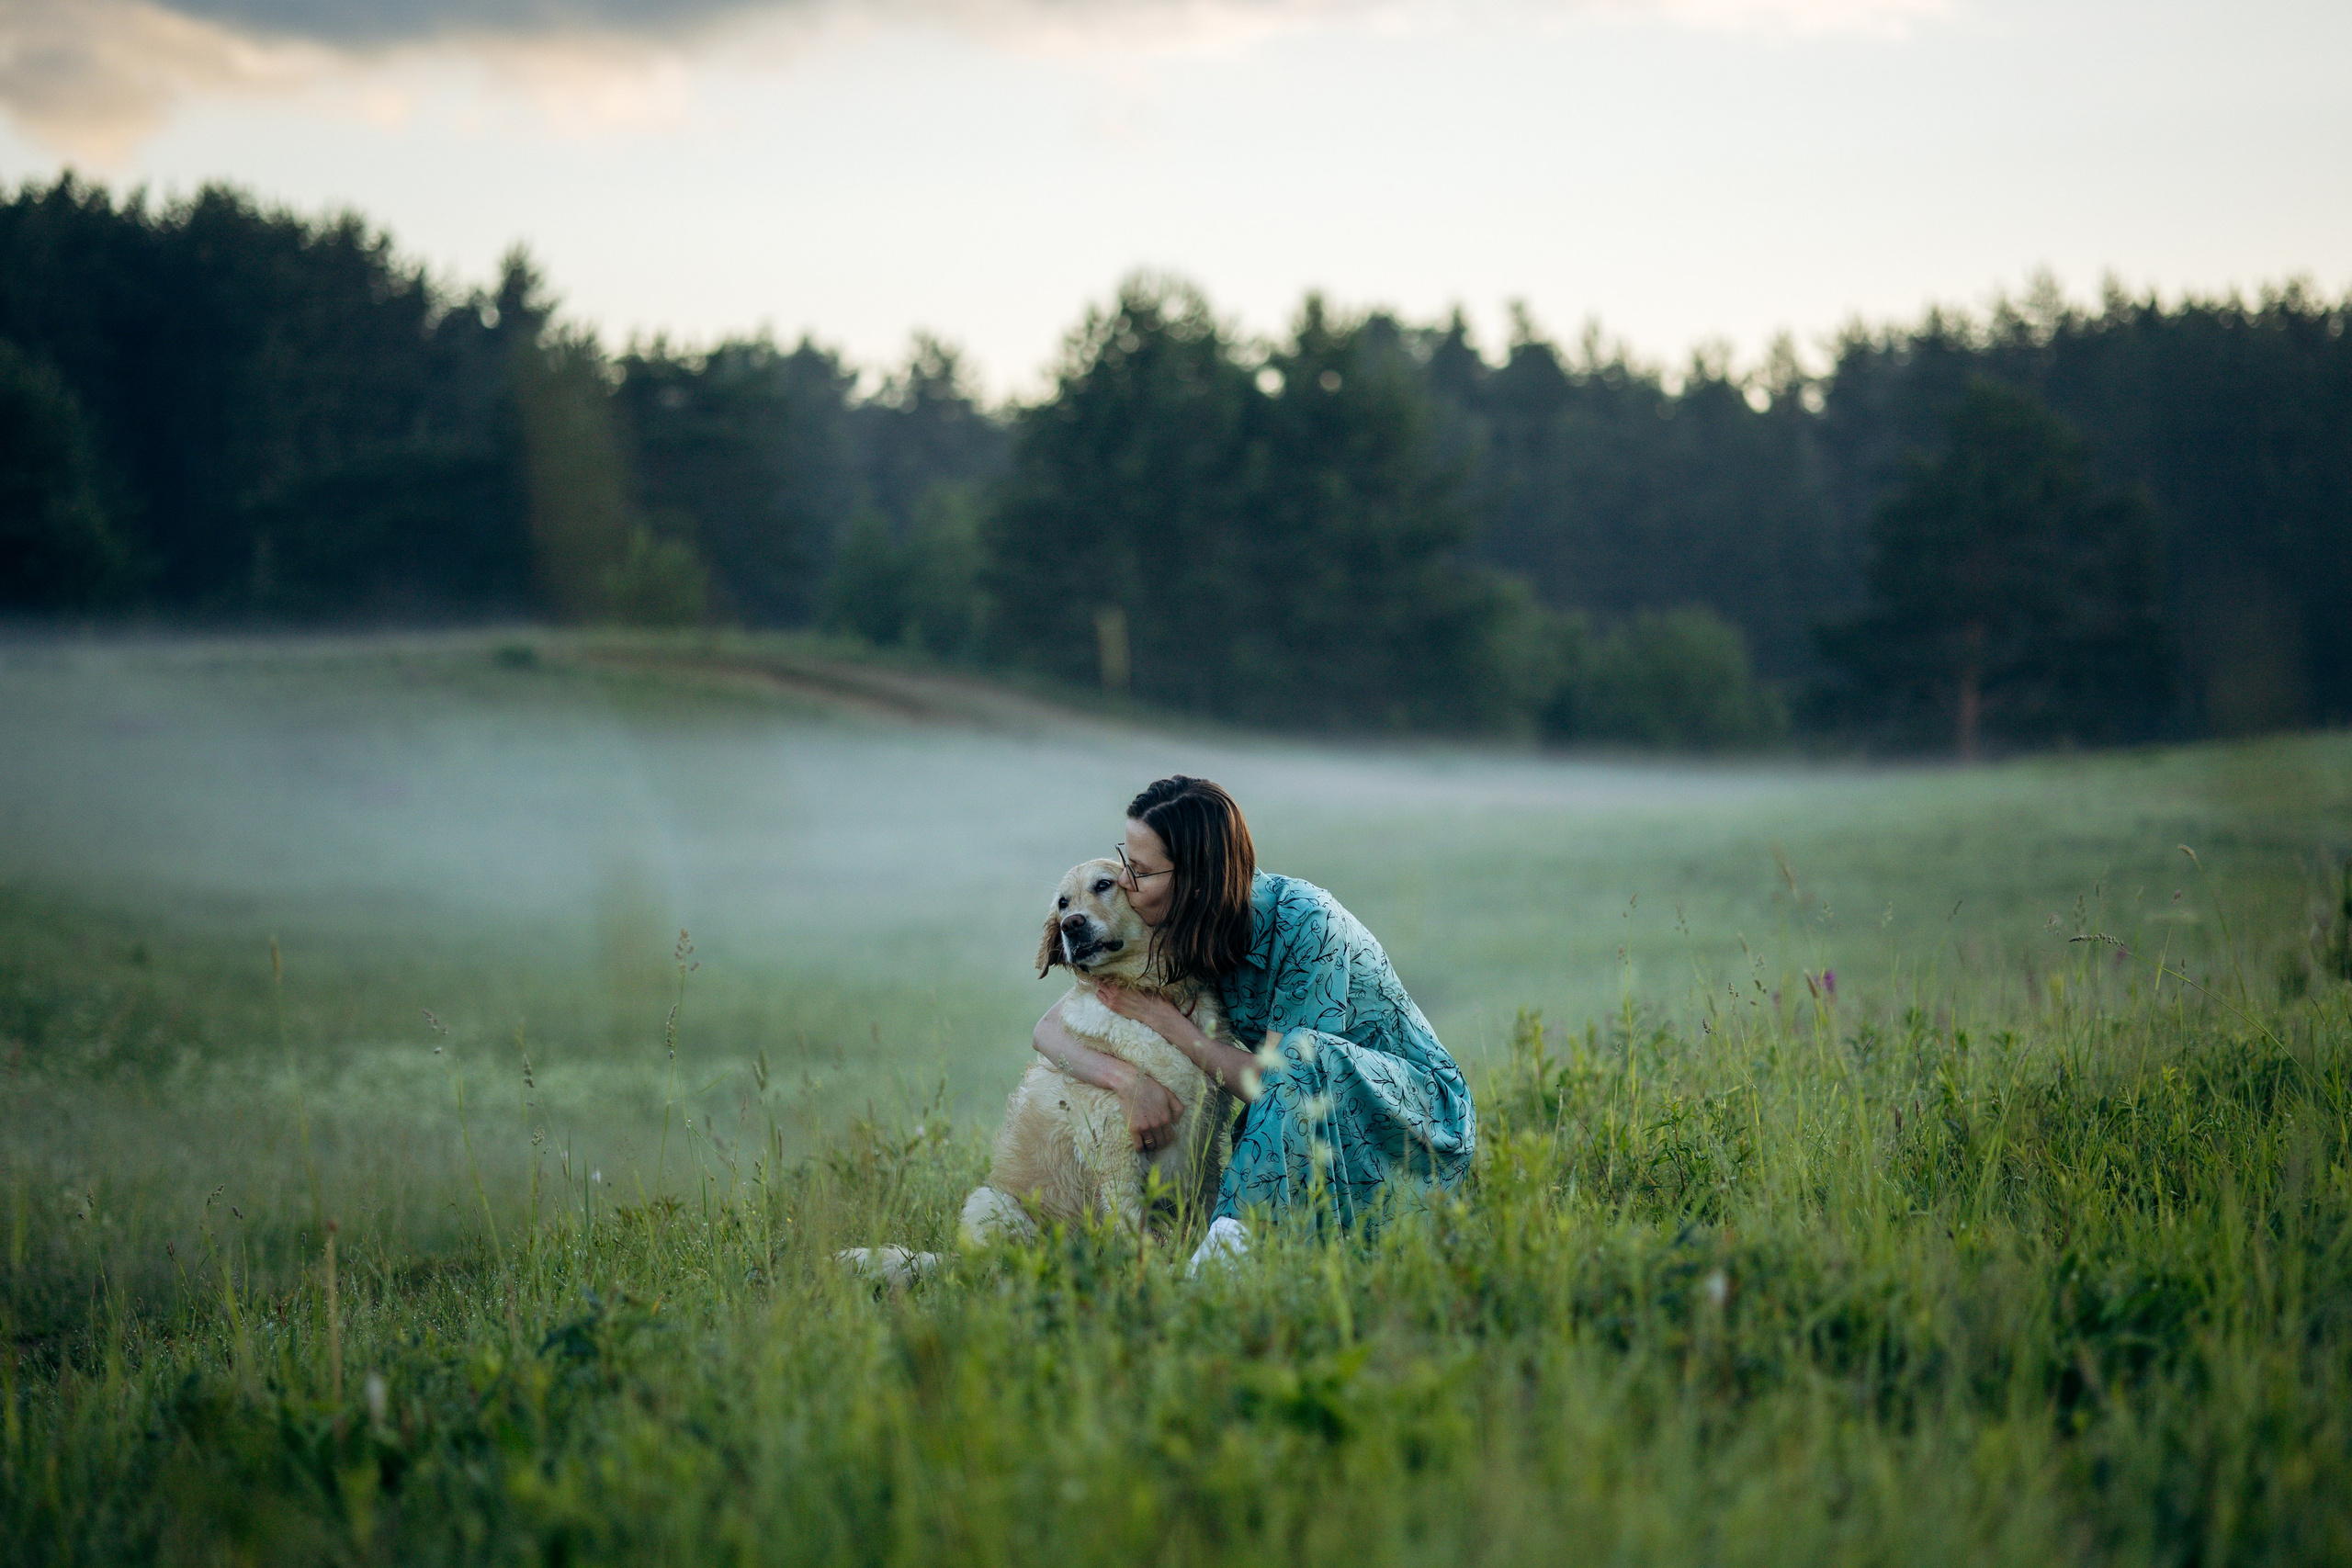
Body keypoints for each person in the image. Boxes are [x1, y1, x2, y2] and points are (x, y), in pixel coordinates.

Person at [1030, 775, 1476, 1268]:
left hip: (1413, 1116)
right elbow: (1047, 1031)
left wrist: (1172, 1024)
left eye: (1140, 872)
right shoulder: (1182, 929)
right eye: (1125, 865)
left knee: (1302, 1054)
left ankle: (1219, 1267)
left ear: (1195, 878)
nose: (1129, 889)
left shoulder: (1308, 924)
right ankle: (1233, 1256)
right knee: (1263, 1134)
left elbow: (1282, 1080)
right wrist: (1128, 1082)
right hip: (1315, 1117)